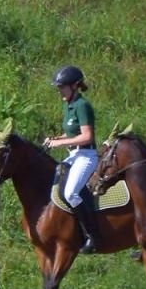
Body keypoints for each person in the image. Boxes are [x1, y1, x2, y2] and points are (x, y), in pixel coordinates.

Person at [44, 65, 100, 254]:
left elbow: (87, 137)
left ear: (75, 86)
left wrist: (61, 144)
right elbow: (71, 131)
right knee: (53, 183)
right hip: (74, 155)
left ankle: (92, 236)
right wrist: (56, 139)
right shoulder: (68, 104)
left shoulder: (82, 105)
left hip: (86, 155)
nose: (59, 90)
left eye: (62, 87)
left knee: (70, 194)